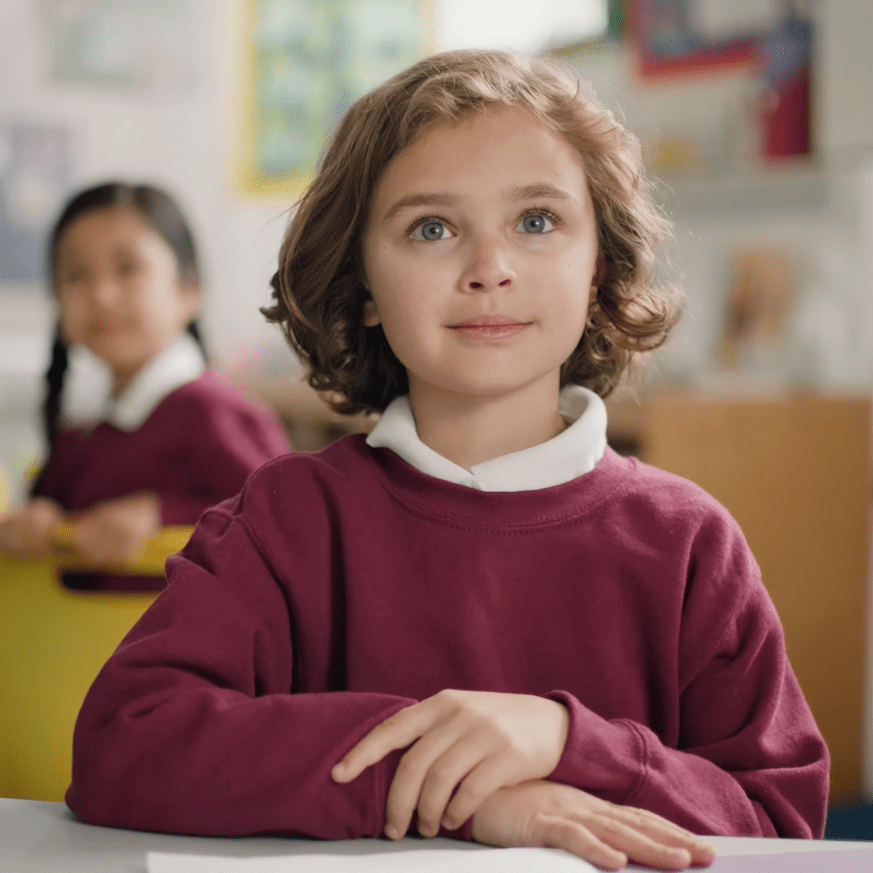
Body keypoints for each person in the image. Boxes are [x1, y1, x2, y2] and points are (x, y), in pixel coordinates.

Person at [65, 51, 828, 869]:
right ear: (362, 284)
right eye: (431, 228)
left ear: (596, 265)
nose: (488, 269)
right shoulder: (283, 517)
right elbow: (125, 739)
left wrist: (568, 741)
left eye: (537, 221)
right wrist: (464, 789)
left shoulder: (689, 541)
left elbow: (778, 823)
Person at [0, 182, 291, 589]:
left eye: (127, 268)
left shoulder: (217, 412)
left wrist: (162, 515)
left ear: (188, 290)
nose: (101, 295)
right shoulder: (82, 433)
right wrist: (37, 520)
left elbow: (285, 528)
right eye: (76, 274)